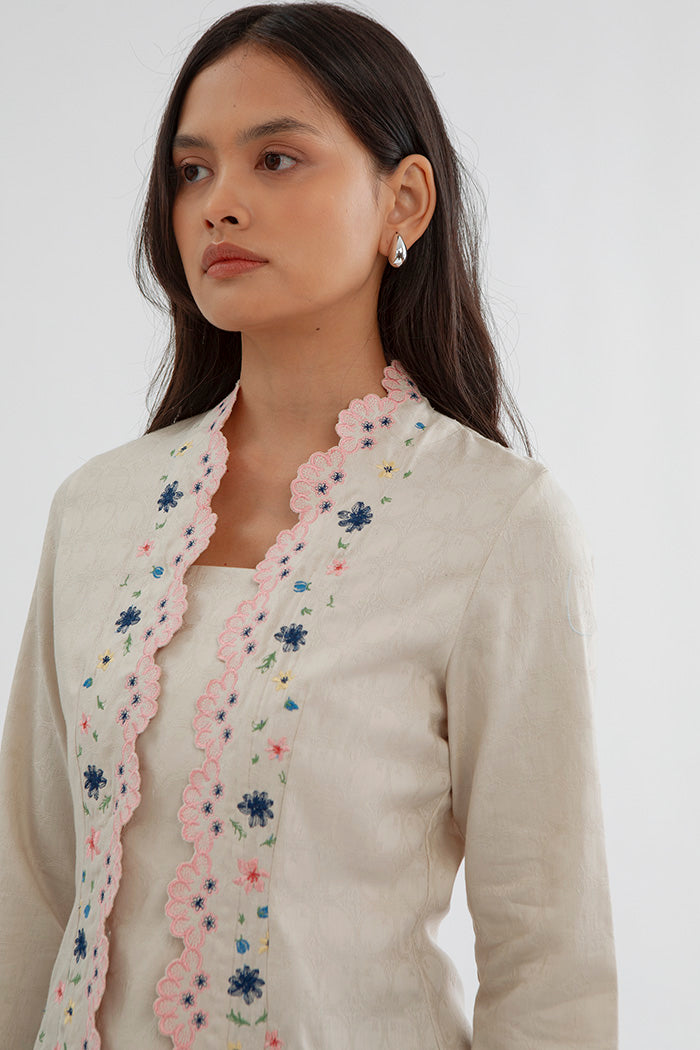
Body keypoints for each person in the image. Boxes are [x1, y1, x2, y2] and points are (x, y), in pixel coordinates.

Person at [0, 4, 618, 1048]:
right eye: (192, 171)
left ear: (402, 200)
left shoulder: (497, 524)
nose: (219, 204)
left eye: (276, 159)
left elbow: (549, 953)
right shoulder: (97, 509)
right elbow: (30, 885)